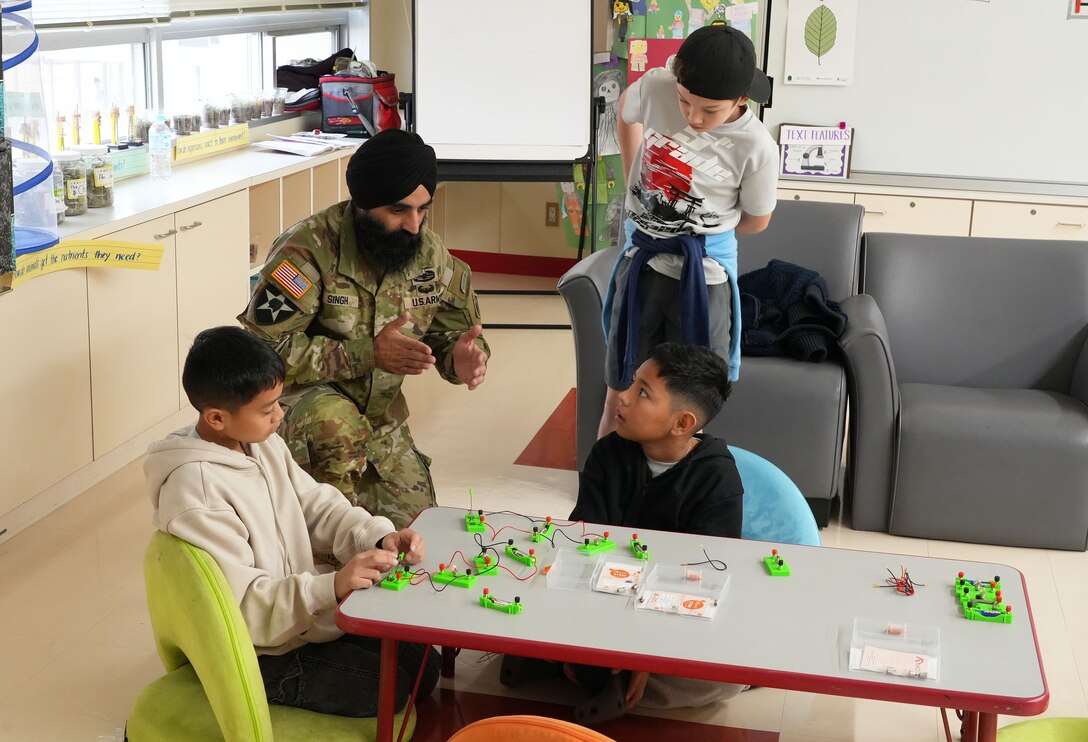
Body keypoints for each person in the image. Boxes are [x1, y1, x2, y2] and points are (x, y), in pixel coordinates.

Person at [146, 326, 440, 718]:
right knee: (391, 689)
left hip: (297, 622)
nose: (280, 415)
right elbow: (243, 609)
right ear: (216, 417)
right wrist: (332, 586)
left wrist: (377, 536)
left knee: (424, 664)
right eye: (267, 409)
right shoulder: (197, 493)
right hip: (259, 652)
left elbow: (315, 503)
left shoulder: (259, 442)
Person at [239, 129, 490, 528]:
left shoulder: (429, 254)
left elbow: (452, 333)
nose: (414, 225)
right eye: (398, 210)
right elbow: (260, 353)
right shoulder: (307, 251)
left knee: (418, 532)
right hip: (303, 415)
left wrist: (460, 359)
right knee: (337, 457)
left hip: (380, 421)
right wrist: (367, 354)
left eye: (422, 210)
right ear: (363, 204)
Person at [502, 343, 745, 724]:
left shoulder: (717, 479)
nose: (624, 396)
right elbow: (583, 545)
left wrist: (647, 653)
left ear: (682, 423)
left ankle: (588, 671)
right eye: (632, 383)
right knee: (526, 590)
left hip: (669, 611)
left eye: (642, 392)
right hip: (602, 598)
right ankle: (596, 672)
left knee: (727, 678)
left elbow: (701, 582)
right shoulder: (607, 454)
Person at [598, 25, 779, 438]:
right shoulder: (657, 86)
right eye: (684, 101)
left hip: (705, 276)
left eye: (710, 111)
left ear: (741, 99)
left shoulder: (756, 147)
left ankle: (672, 479)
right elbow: (626, 109)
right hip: (641, 263)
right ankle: (605, 477)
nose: (694, 118)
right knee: (621, 393)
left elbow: (756, 221)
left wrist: (701, 233)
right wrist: (631, 176)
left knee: (688, 406)